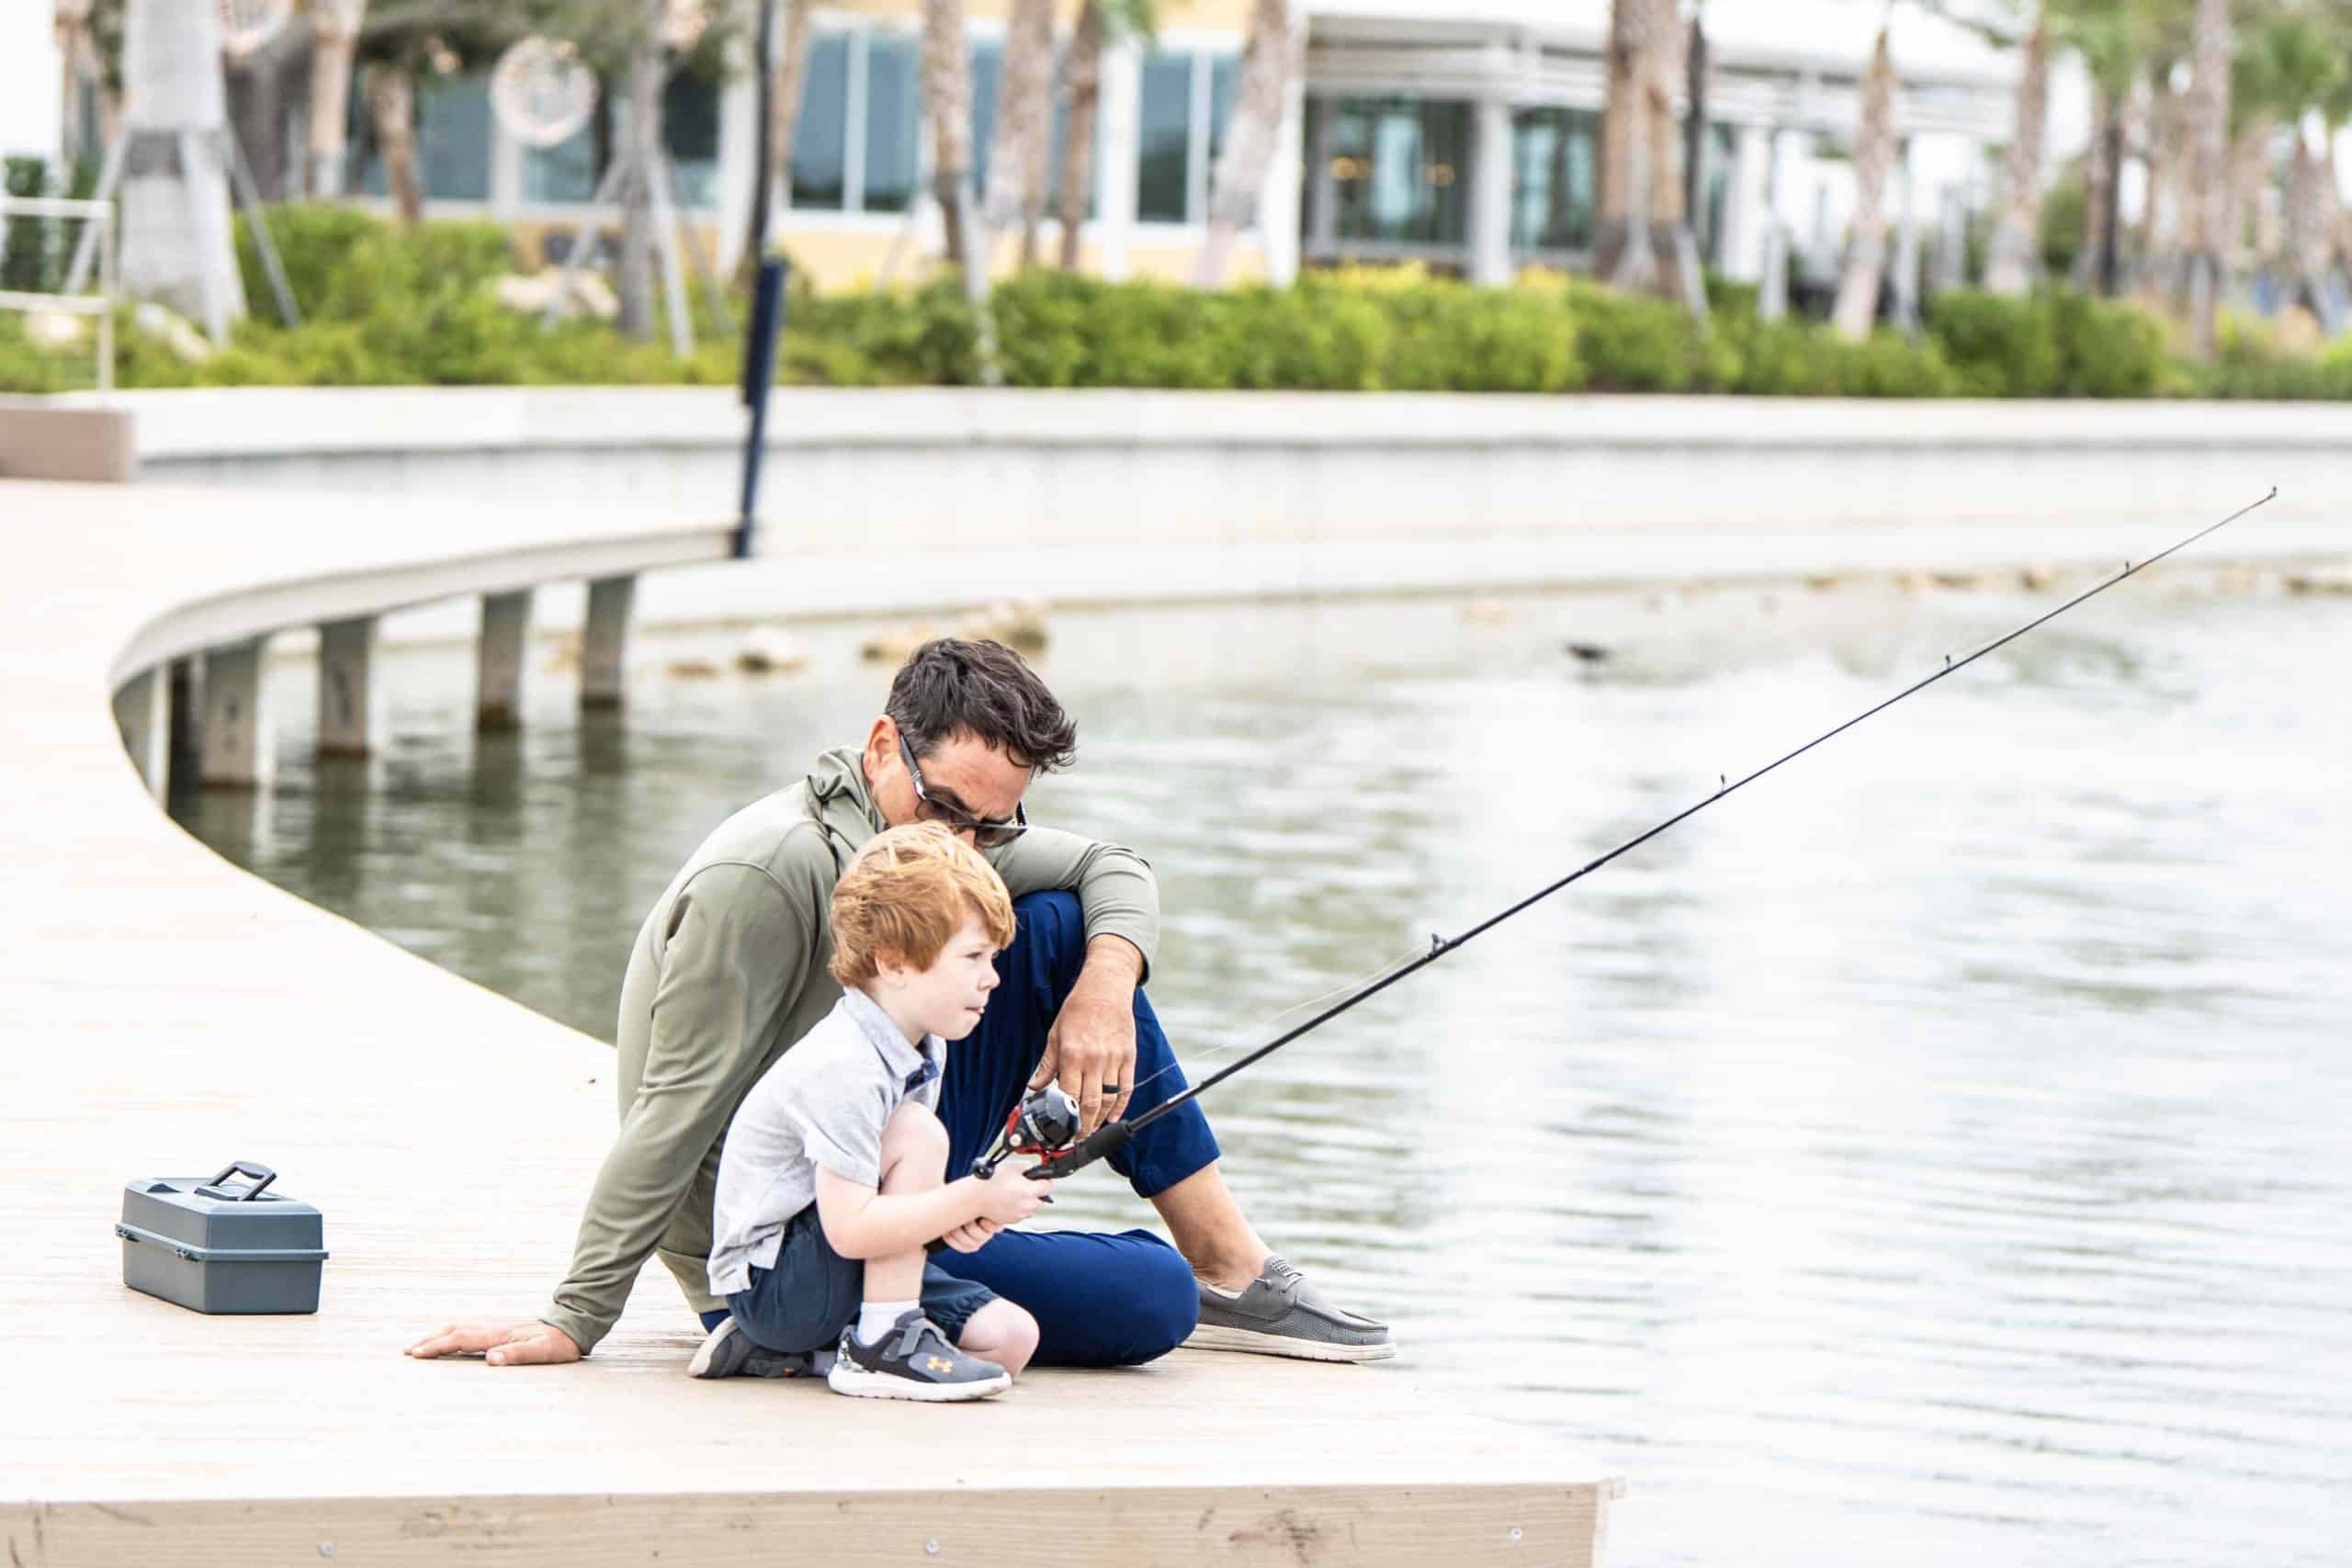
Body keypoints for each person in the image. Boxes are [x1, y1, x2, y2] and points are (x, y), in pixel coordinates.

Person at [405, 637, 1389, 1371]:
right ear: (883, 747)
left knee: (1057, 927)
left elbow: (1109, 865)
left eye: (993, 823)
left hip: (875, 1164)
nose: (967, 844)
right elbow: (674, 1108)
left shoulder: (926, 851)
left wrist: (1107, 987)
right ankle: (1178, 1270)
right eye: (949, 810)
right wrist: (574, 1317)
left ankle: (1228, 1256)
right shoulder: (774, 872)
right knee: (1150, 1298)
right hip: (784, 1251)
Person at [692, 824, 1045, 1400]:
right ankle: (881, 1347)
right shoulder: (846, 1065)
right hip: (775, 1284)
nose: (993, 977)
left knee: (1009, 1341)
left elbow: (884, 1204)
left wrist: (951, 1216)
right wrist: (975, 1196)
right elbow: (852, 1227)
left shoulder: (925, 1043)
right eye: (974, 956)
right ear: (894, 964)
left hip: (839, 1264)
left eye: (994, 957)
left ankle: (809, 1355)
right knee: (918, 1133)